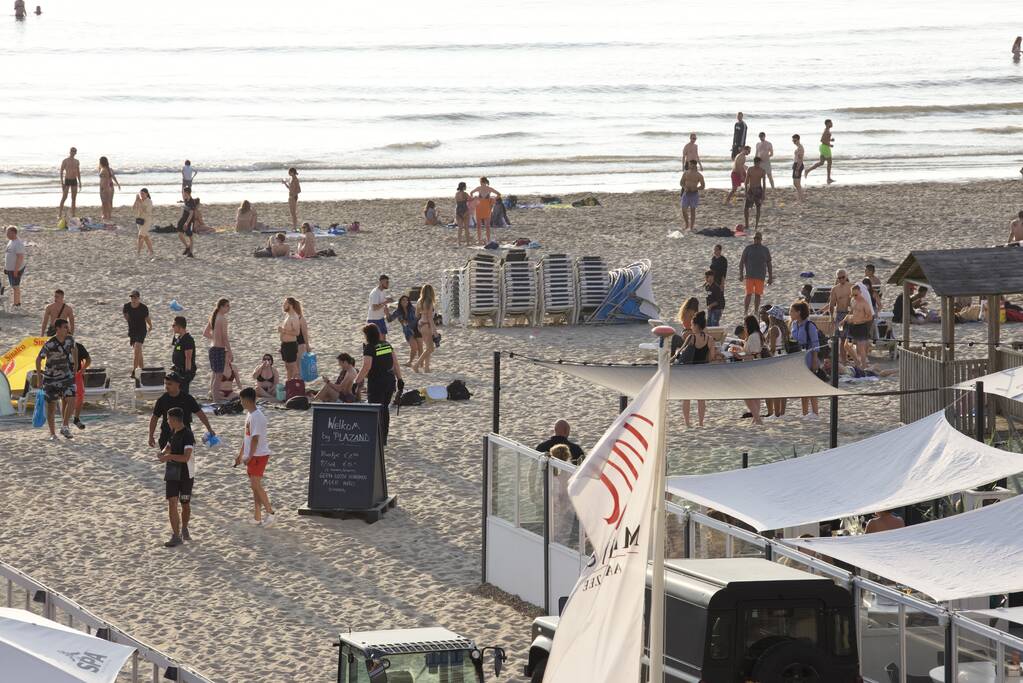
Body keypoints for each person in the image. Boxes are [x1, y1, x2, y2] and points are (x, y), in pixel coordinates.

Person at [354, 323, 403, 446]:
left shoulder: (370, 348)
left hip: (377, 382)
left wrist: (356, 382)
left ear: (367, 335)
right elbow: (395, 364)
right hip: (390, 380)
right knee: (384, 408)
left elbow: (366, 367)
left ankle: (376, 437)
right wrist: (400, 379)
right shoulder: (387, 345)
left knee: (375, 409)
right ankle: (383, 438)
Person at [235, 387, 275, 527]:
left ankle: (270, 513)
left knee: (256, 485)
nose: (240, 403)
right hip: (252, 455)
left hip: (259, 455)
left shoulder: (257, 416)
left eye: (241, 400)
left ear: (246, 400)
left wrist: (249, 456)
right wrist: (240, 455)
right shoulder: (250, 415)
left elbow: (255, 439)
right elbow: (246, 437)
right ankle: (257, 516)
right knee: (254, 487)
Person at [148, 371, 215, 453]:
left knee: (185, 461)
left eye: (169, 384)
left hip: (185, 435)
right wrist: (150, 436)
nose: (166, 386)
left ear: (178, 384)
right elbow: (154, 418)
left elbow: (200, 414)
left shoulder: (187, 398)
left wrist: (209, 429)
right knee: (171, 462)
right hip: (167, 435)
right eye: (165, 384)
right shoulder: (162, 400)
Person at [158, 407, 194, 548]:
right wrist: (162, 454)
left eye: (168, 419)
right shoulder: (173, 432)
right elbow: (168, 447)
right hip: (172, 473)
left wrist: (169, 456)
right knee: (172, 502)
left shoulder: (188, 435)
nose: (167, 421)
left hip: (186, 474)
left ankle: (184, 528)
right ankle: (176, 535)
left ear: (173, 420)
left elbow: (186, 457)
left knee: (185, 503)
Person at [35, 318, 77, 440]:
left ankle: (65, 426)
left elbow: (75, 349)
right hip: (50, 379)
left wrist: (75, 366)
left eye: (67, 327)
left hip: (66, 377)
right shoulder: (50, 343)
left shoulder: (70, 339)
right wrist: (39, 378)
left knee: (72, 399)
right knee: (52, 406)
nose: (67, 329)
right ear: (57, 329)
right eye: (64, 327)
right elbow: (38, 359)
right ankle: (52, 434)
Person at [678, 311, 718, 428]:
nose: (690, 327)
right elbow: (711, 357)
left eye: (691, 324)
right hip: (702, 371)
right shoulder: (709, 339)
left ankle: (687, 423)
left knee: (686, 397)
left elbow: (680, 352)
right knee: (701, 398)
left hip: (690, 371)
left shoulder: (691, 338)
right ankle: (701, 423)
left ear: (696, 325)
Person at [729, 315, 766, 425]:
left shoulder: (754, 336)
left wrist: (740, 356)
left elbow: (754, 354)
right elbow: (750, 352)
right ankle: (756, 417)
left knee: (747, 394)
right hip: (754, 368)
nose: (744, 327)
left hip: (752, 369)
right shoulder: (755, 335)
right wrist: (740, 350)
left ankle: (757, 418)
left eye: (745, 325)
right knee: (754, 394)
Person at [790, 300, 823, 418]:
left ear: (799, 312)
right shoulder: (794, 324)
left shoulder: (809, 325)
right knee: (802, 386)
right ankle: (804, 412)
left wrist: (814, 360)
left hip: (809, 356)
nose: (790, 313)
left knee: (811, 385)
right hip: (797, 357)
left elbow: (815, 344)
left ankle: (815, 412)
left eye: (792, 311)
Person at [760, 305, 790, 419]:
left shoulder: (773, 329)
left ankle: (776, 414)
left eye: (770, 314)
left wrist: (765, 351)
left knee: (775, 387)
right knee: (783, 387)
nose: (768, 316)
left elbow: (772, 348)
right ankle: (782, 412)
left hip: (776, 357)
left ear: (773, 316)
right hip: (783, 356)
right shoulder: (784, 328)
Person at [739, 232, 773, 316]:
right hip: (750, 275)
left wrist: (770, 276)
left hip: (760, 276)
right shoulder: (748, 248)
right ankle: (746, 311)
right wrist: (741, 274)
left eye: (758, 238)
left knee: (758, 295)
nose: (756, 240)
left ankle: (756, 311)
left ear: (761, 239)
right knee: (748, 294)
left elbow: (769, 263)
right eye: (755, 238)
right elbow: (742, 261)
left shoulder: (765, 249)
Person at [203, 299, 232, 400]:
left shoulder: (213, 317)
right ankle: (216, 399)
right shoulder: (223, 319)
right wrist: (230, 351)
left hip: (212, 348)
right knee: (218, 375)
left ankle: (213, 396)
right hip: (219, 349)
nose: (229, 308)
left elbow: (205, 333)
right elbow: (225, 337)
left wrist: (214, 338)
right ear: (221, 307)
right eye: (227, 306)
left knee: (215, 374)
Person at [123, 289, 152, 379]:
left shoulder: (143, 308)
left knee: (137, 349)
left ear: (139, 298)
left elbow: (147, 318)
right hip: (132, 331)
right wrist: (130, 324)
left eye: (135, 297)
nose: (133, 299)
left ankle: (134, 371)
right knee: (138, 352)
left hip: (141, 330)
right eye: (132, 297)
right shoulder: (126, 306)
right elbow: (126, 316)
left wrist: (150, 326)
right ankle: (142, 370)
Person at [844, 284, 874, 370]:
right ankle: (857, 362)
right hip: (853, 325)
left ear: (860, 293)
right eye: (852, 295)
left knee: (861, 348)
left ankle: (863, 366)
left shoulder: (864, 303)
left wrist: (860, 320)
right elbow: (851, 312)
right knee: (846, 345)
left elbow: (870, 317)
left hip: (861, 326)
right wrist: (844, 320)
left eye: (856, 295)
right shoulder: (853, 300)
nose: (854, 296)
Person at [388, 295, 421, 367]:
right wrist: (386, 313)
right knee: (414, 347)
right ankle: (410, 362)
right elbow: (390, 319)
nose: (405, 301)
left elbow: (418, 317)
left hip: (417, 330)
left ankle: (419, 363)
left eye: (406, 300)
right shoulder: (398, 311)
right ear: (400, 302)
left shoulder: (412, 309)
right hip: (408, 332)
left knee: (419, 348)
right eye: (403, 300)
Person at [828, 269, 853, 359]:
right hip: (839, 316)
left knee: (852, 338)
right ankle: (844, 360)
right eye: (839, 278)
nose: (841, 279)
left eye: (843, 277)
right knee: (842, 338)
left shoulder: (851, 287)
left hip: (850, 315)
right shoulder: (835, 289)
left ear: (846, 277)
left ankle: (852, 358)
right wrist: (831, 317)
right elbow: (831, 304)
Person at [412, 284, 437, 373]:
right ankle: (416, 365)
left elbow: (416, 315)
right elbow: (430, 318)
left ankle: (427, 368)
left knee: (428, 347)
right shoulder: (429, 302)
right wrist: (435, 331)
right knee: (431, 348)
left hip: (420, 324)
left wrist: (423, 313)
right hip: (427, 325)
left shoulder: (419, 301)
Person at [470, 177, 502, 245]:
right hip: (487, 207)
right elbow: (499, 194)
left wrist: (474, 198)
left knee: (479, 225)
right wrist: (493, 199)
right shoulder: (489, 188)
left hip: (479, 206)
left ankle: (479, 240)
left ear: (481, 181)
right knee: (487, 225)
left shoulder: (479, 188)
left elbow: (471, 193)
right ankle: (488, 240)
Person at [170, 316, 196, 394]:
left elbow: (188, 357)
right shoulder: (180, 337)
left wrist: (187, 372)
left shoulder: (188, 340)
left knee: (183, 392)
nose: (172, 327)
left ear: (179, 326)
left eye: (174, 325)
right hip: (178, 370)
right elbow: (176, 348)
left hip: (184, 371)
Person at [278, 297, 302, 380]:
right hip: (285, 345)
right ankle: (289, 384)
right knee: (288, 367)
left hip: (291, 345)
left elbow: (297, 332)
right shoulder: (287, 316)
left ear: (290, 305)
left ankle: (298, 385)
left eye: (285, 304)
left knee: (293, 366)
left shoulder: (294, 317)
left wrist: (283, 331)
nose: (283, 306)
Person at [804, 119, 835, 184]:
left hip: (823, 147)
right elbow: (822, 140)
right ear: (827, 124)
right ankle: (828, 179)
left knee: (821, 163)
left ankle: (807, 170)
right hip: (825, 148)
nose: (832, 124)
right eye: (830, 123)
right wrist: (830, 144)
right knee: (829, 163)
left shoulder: (827, 130)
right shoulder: (826, 131)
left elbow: (825, 139)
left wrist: (830, 140)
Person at [679, 160, 705, 232]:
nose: (689, 166)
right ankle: (687, 224)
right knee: (683, 209)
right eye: (689, 164)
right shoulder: (685, 173)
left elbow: (703, 186)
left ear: (694, 165)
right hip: (686, 193)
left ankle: (691, 227)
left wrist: (696, 188)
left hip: (694, 194)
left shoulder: (699, 175)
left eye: (690, 164)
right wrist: (685, 187)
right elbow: (681, 183)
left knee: (692, 211)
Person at [4, 226, 26, 307]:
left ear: (13, 233)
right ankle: (16, 302)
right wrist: (6, 267)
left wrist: (16, 270)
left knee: (15, 286)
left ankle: (17, 303)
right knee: (13, 286)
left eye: (8, 232)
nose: (6, 234)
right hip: (10, 269)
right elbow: (8, 255)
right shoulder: (11, 241)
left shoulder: (18, 243)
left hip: (16, 269)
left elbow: (20, 258)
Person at [71, 338, 90, 430]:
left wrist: (83, 369)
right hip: (64, 374)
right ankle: (65, 422)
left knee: (80, 395)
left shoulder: (78, 346)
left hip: (77, 373)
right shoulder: (60, 346)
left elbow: (88, 359)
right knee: (64, 398)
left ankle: (76, 418)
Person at [743, 157, 767, 231]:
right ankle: (747, 225)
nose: (758, 164)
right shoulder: (750, 169)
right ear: (754, 162)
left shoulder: (762, 171)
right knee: (746, 208)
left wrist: (763, 193)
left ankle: (756, 226)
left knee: (758, 208)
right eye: (757, 163)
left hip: (758, 190)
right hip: (751, 189)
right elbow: (746, 181)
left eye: (759, 163)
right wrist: (746, 191)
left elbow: (764, 183)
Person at [58, 147, 82, 219]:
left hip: (74, 180)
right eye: (72, 151)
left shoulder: (77, 161)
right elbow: (61, 171)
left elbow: (78, 172)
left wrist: (80, 181)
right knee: (64, 197)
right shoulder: (65, 161)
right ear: (70, 152)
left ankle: (73, 214)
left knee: (73, 198)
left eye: (74, 151)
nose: (73, 152)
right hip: (67, 180)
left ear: (75, 153)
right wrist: (62, 182)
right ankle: (59, 214)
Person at [367, 274, 393, 339]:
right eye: (386, 282)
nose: (388, 284)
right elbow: (374, 308)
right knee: (376, 341)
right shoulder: (375, 293)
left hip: (380, 319)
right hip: (373, 320)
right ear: (381, 282)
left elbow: (382, 304)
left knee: (383, 340)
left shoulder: (383, 291)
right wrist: (386, 302)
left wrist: (387, 311)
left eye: (388, 282)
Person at [133, 188, 154, 257]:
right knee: (146, 237)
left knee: (140, 236)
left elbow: (146, 211)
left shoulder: (149, 201)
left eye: (143, 194)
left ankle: (138, 252)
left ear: (147, 194)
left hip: (147, 220)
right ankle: (151, 251)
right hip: (139, 220)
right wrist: (136, 201)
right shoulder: (139, 200)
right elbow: (133, 208)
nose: (141, 195)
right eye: (140, 194)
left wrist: (141, 203)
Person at [97, 156, 120, 221]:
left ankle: (105, 215)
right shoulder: (109, 169)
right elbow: (113, 177)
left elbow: (106, 180)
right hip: (110, 186)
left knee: (105, 202)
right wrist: (118, 184)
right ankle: (108, 215)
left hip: (105, 187)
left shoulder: (103, 170)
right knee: (109, 201)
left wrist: (104, 188)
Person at [176, 186, 196, 257]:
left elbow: (191, 213)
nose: (183, 193)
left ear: (187, 193)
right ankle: (187, 247)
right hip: (183, 219)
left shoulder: (192, 202)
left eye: (184, 192)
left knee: (190, 236)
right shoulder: (186, 199)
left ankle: (191, 252)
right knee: (179, 233)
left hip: (189, 221)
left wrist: (187, 223)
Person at [455, 182, 471, 247]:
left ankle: (459, 243)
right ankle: (467, 243)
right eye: (465, 186)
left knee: (460, 228)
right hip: (465, 210)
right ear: (464, 187)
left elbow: (458, 202)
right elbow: (470, 199)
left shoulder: (456, 194)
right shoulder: (465, 194)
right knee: (466, 228)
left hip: (458, 210)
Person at [791, 134, 805, 202]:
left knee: (797, 183)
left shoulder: (800, 148)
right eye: (793, 140)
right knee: (795, 183)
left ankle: (801, 198)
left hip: (798, 165)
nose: (794, 142)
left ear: (798, 139)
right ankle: (799, 198)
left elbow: (800, 159)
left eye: (795, 140)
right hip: (796, 164)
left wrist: (797, 169)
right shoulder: (798, 147)